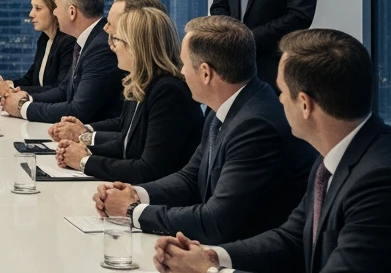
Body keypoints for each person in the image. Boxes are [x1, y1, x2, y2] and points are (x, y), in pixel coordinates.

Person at [152, 29, 391, 273]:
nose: (278, 100)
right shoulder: (338, 155)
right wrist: (211, 256)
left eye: (283, 92)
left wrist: (209, 270)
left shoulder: (385, 182)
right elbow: (291, 238)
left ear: (305, 104)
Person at [93, 15, 315, 245]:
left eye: (185, 64)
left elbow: (215, 221)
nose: (181, 72)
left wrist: (131, 212)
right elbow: (191, 177)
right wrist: (135, 194)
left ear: (206, 73)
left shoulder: (256, 125)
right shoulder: (225, 107)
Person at [53, 1, 203, 183]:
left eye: (116, 39)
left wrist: (85, 161)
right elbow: (124, 143)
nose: (112, 46)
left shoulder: (168, 91)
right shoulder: (141, 83)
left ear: (136, 47)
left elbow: (149, 169)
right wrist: (80, 151)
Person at [0, 0, 123, 124]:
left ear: (72, 12)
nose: (55, 12)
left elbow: (78, 111)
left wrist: (22, 108)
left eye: (56, 7)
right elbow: (64, 90)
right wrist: (26, 97)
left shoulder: (101, 46)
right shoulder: (87, 41)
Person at [0, 0, 76, 96]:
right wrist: (8, 84)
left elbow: (59, 89)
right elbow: (31, 79)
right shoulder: (44, 39)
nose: (31, 14)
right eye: (32, 8)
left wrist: (10, 90)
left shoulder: (69, 42)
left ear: (55, 10)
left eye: (38, 8)